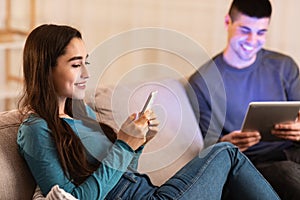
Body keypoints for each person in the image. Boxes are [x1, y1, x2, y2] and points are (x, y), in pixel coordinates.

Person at [17, 23, 279, 200]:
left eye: (86, 63)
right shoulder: (36, 129)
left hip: (151, 192)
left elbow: (122, 173)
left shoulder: (81, 112)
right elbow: (75, 198)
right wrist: (124, 146)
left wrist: (138, 142)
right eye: (76, 65)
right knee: (226, 152)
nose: (86, 73)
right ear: (45, 68)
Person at [189, 0, 300, 199]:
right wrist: (226, 143)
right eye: (245, 30)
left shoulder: (284, 66)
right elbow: (207, 146)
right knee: (289, 176)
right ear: (227, 22)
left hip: (293, 151)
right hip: (253, 164)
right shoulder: (203, 82)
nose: (252, 40)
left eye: (261, 32)